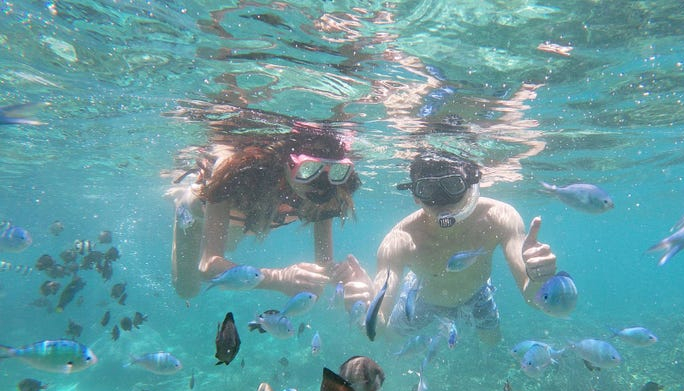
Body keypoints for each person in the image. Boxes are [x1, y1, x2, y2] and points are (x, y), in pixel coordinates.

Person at [343, 149, 557, 345]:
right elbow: (377, 329)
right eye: (427, 188)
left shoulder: (500, 217)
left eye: (453, 185)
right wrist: (366, 312)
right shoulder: (400, 240)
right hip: (423, 299)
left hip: (477, 292)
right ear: (416, 196)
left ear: (471, 187)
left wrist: (537, 278)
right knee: (391, 339)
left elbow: (532, 298)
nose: (442, 201)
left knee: (493, 342)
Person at [168, 111, 362, 299]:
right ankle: (180, 195)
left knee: (230, 247)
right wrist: (278, 280)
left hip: (244, 223)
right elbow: (209, 265)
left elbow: (324, 265)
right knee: (187, 289)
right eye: (309, 168)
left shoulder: (331, 190)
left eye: (336, 171)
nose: (321, 182)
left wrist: (334, 274)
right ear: (287, 162)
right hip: (196, 216)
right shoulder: (240, 173)